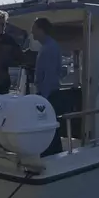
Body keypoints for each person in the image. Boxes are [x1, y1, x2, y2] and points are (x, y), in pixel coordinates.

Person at [31, 17, 64, 156]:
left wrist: (43, 98)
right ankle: (52, 151)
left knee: (48, 125)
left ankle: (51, 153)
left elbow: (49, 74)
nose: (32, 34)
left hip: (48, 94)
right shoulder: (48, 46)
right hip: (48, 93)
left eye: (34, 30)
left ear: (41, 29)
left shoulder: (49, 48)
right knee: (51, 125)